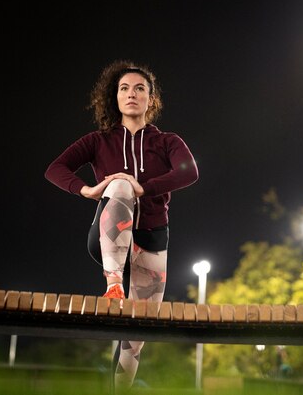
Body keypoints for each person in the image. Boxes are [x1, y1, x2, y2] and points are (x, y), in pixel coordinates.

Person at [44, 60, 199, 391]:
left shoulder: (166, 141)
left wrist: (148, 187)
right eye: (124, 88)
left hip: (151, 241)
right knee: (120, 185)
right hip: (109, 240)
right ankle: (113, 281)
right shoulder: (98, 141)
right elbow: (56, 168)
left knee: (137, 335)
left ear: (151, 99)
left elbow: (189, 171)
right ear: (114, 97)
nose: (132, 94)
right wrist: (86, 189)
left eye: (140, 88)